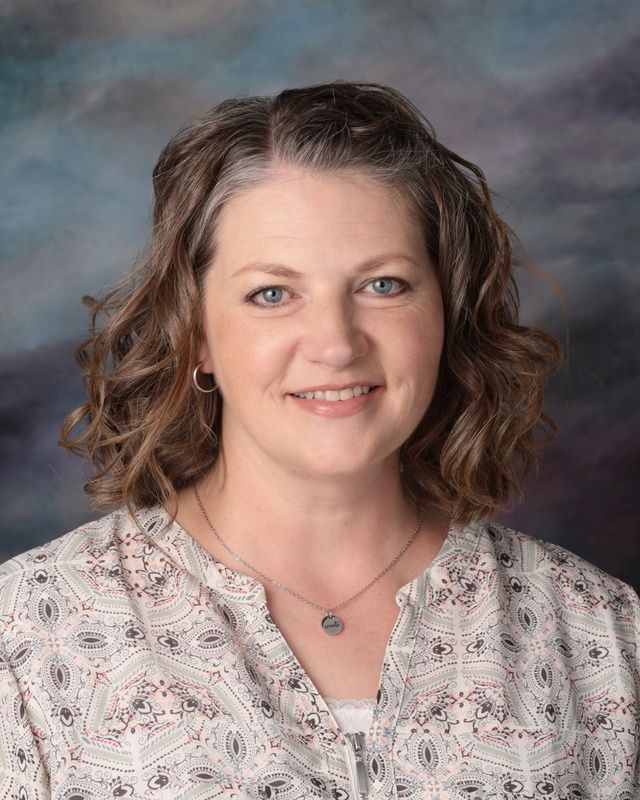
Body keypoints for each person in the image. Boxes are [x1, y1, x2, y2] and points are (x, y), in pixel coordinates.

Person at [1, 80, 638, 800]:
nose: (336, 344)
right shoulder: (26, 634)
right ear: (197, 333)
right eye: (272, 293)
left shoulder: (599, 634)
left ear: (445, 313)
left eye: (384, 285)